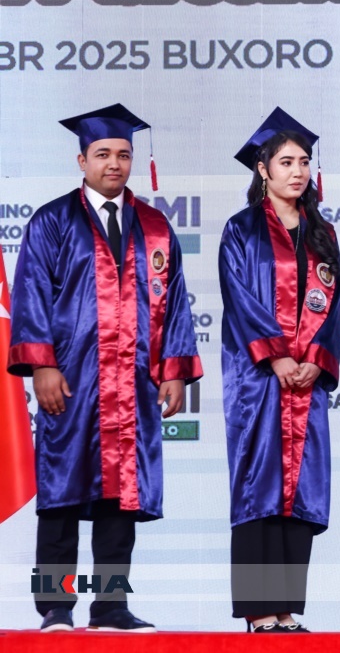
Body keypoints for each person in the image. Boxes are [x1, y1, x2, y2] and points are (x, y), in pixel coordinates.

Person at [7, 104, 201, 633]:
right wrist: (42, 366)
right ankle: (55, 607)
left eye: (123, 154)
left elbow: (174, 304)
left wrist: (174, 370)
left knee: (122, 499)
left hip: (133, 383)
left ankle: (110, 605)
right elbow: (30, 295)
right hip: (72, 380)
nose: (114, 164)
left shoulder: (155, 227)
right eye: (103, 154)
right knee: (61, 495)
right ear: (82, 160)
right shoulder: (52, 220)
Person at [219, 108, 340, 633]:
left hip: (306, 383)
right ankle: (258, 611)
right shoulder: (241, 230)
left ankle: (286, 610)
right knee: (259, 488)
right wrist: (277, 356)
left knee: (299, 495)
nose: (298, 171)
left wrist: (315, 360)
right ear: (263, 169)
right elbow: (239, 300)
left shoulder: (322, 232)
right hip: (259, 381)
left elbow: (333, 309)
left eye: (304, 161)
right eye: (286, 161)